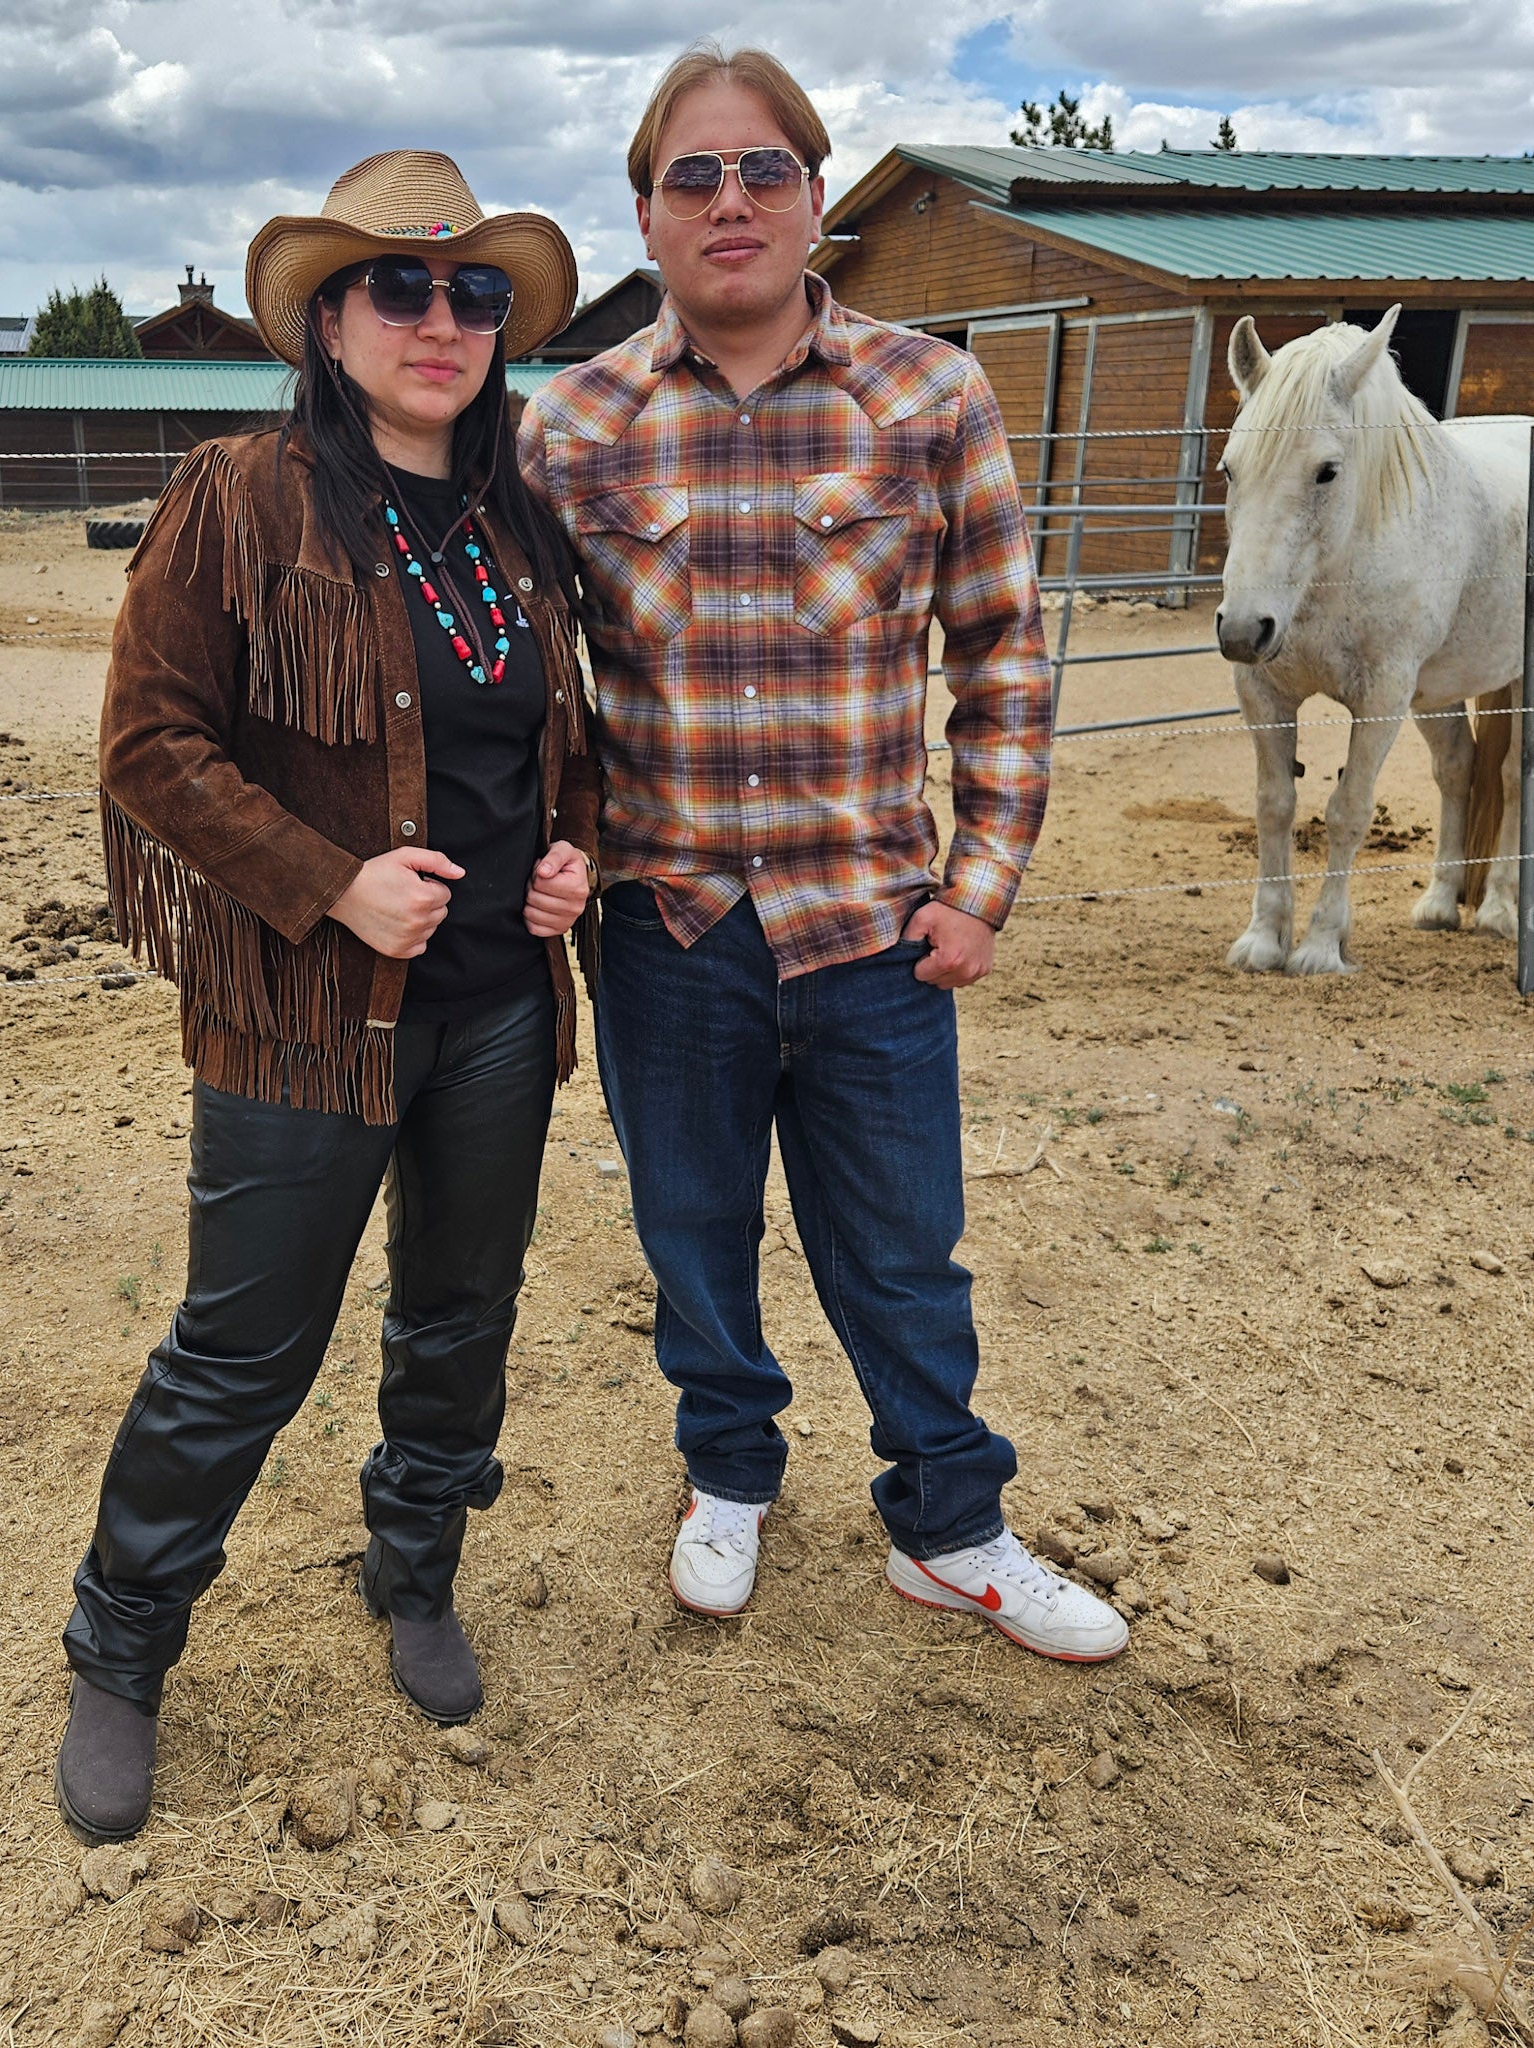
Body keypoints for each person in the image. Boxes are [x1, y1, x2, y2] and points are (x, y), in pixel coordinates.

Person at [518, 44, 1127, 1663]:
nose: (730, 200)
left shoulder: (930, 396)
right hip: (669, 926)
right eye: (692, 176)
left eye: (762, 169)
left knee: (904, 1254)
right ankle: (728, 1472)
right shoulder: (569, 427)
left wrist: (981, 890)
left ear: (812, 195)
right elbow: (521, 686)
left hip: (873, 928)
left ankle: (951, 1523)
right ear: (646, 214)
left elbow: (1002, 657)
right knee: (691, 1235)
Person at [57, 150, 598, 1844]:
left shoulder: (518, 519)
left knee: (462, 1312)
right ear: (330, 321)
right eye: (401, 287)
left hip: (500, 1006)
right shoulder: (240, 497)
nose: (443, 321)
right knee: (241, 1348)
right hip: (302, 1012)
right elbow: (151, 744)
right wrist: (332, 882)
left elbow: (563, 739)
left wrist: (573, 852)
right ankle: (122, 1646)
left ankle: (414, 1564)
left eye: (475, 292)